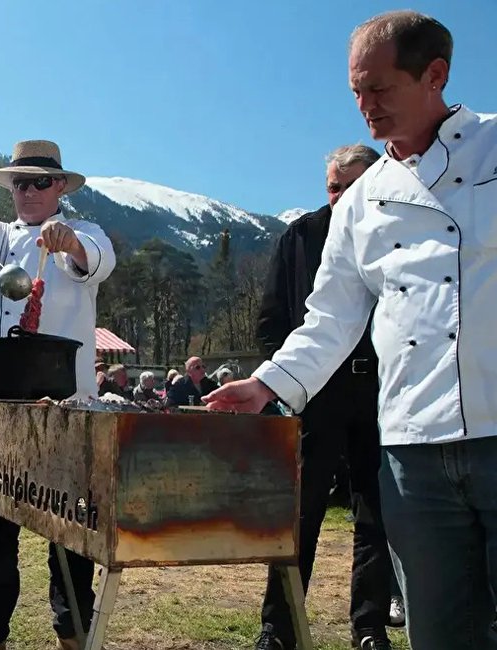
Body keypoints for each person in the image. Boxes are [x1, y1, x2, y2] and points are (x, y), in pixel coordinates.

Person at [204, 11, 497, 648]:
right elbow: (331, 317)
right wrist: (266, 384)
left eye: (380, 89)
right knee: (439, 631)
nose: (366, 107)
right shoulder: (363, 200)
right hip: (413, 450)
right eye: (356, 93)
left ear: (436, 75)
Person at [0, 139, 115, 650]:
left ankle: (72, 631)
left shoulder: (85, 231)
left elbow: (99, 260)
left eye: (38, 182)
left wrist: (70, 243)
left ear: (59, 187)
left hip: (63, 400)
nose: (27, 191)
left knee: (71, 527)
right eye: (19, 183)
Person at [251, 144, 392, 650]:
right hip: (316, 393)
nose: (342, 197)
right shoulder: (301, 235)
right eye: (334, 187)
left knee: (376, 511)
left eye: (353, 186)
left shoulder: (394, 232)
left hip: (380, 390)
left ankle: (371, 625)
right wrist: (290, 384)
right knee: (301, 510)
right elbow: (270, 321)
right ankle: (279, 626)